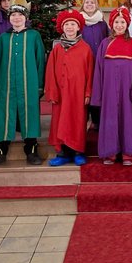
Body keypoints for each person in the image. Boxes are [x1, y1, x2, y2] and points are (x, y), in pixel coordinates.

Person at [0, 0, 45, 167]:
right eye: (13, 15)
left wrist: (40, 86)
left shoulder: (34, 36)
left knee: (30, 114)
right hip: (7, 85)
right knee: (4, 115)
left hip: (29, 84)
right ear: (9, 18)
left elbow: (40, 61)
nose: (17, 18)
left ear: (26, 17)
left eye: (20, 15)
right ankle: (0, 150)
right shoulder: (4, 38)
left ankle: (32, 149)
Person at [91, 7, 132, 165]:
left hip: (128, 90)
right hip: (109, 90)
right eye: (116, 22)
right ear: (111, 24)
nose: (119, 25)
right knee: (110, 118)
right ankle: (110, 152)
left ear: (127, 25)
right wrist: (98, 94)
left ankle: (129, 152)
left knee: (128, 119)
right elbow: (99, 70)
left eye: (122, 22)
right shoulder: (104, 44)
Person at [45, 9, 94, 166]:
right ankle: (63, 153)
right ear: (62, 27)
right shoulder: (57, 49)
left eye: (73, 24)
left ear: (78, 27)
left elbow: (90, 72)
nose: (70, 27)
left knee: (77, 121)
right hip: (60, 94)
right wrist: (52, 92)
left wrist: (88, 93)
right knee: (61, 122)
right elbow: (50, 72)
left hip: (78, 94)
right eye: (67, 25)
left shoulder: (85, 49)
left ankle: (78, 151)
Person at [79, 0, 109, 129]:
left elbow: (107, 40)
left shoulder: (102, 24)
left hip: (99, 62)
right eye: (87, 3)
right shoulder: (79, 23)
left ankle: (97, 120)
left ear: (96, 5)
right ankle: (83, 119)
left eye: (92, 2)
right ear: (83, 5)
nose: (89, 5)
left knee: (98, 89)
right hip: (83, 63)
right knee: (84, 90)